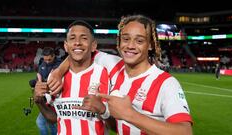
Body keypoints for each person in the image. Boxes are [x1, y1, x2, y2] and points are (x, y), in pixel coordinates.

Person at [47, 14, 193, 135]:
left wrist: (130, 114)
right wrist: (59, 72)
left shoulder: (166, 83)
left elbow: (185, 131)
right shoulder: (114, 67)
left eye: (139, 40)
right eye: (126, 39)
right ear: (119, 42)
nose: (130, 45)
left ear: (150, 45)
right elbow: (78, 51)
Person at [33, 20, 112, 135]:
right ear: (66, 45)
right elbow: (54, 118)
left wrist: (103, 111)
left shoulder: (105, 74)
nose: (77, 43)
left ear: (93, 45)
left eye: (84, 38)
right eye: (72, 38)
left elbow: (116, 124)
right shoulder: (55, 77)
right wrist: (38, 101)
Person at [29, 47, 61, 135]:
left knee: (41, 122)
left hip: (56, 99)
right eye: (45, 59)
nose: (47, 61)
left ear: (54, 56)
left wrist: (42, 82)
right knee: (50, 123)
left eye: (49, 59)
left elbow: (54, 82)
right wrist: (37, 82)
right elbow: (39, 77)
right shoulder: (42, 64)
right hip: (47, 99)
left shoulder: (60, 65)